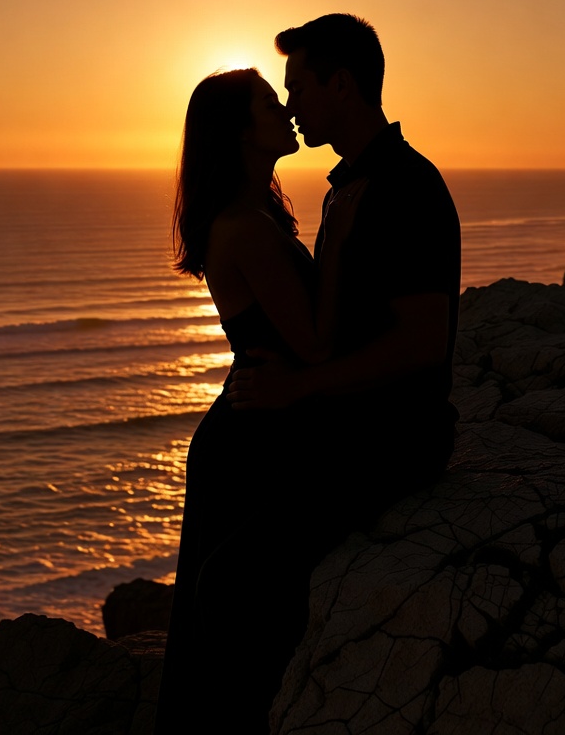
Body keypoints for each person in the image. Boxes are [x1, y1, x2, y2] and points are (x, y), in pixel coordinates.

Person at [155, 67, 361, 734]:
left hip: (256, 424)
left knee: (222, 618)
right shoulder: (244, 226)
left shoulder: (258, 213)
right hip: (252, 439)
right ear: (243, 133)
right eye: (273, 105)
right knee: (230, 626)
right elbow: (314, 343)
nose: (288, 111)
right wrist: (344, 231)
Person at [227, 12, 461, 528]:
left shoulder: (404, 186)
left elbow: (423, 343)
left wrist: (296, 388)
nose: (291, 108)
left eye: (299, 90)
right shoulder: (347, 188)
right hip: (353, 423)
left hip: (391, 439)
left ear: (340, 85)